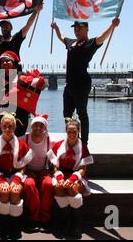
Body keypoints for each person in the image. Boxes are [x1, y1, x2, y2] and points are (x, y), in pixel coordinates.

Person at [51, 18, 120, 150]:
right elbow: (62, 37)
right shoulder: (71, 43)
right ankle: (71, 137)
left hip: (82, 83)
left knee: (82, 113)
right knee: (66, 113)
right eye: (75, 28)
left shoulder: (90, 43)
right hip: (69, 84)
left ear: (87, 29)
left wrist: (112, 26)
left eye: (80, 28)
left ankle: (84, 143)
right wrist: (56, 28)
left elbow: (101, 38)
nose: (77, 30)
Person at [47, 118, 94, 239]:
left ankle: (76, 223)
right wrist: (60, 178)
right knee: (58, 188)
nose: (72, 135)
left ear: (78, 132)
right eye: (69, 132)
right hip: (61, 175)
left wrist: (72, 179)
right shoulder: (58, 145)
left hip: (77, 177)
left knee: (72, 189)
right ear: (66, 132)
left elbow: (83, 170)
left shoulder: (83, 147)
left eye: (74, 132)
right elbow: (55, 167)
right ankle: (66, 221)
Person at [0, 113, 33, 240]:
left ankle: (15, 226)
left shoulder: (21, 144)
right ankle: (3, 226)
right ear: (0, 127)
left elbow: (23, 165)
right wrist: (1, 180)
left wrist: (16, 180)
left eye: (10, 126)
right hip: (0, 175)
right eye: (5, 126)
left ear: (15, 127)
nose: (7, 129)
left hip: (17, 175)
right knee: (4, 193)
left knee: (15, 192)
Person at [0, 3, 43, 73]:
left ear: (11, 28)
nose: (4, 28)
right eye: (2, 26)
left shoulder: (17, 38)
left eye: (6, 26)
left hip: (15, 72)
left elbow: (28, 25)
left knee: (15, 85)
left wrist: (35, 11)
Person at [22, 114, 55, 233]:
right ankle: (33, 219)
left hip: (43, 171)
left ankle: (45, 219)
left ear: (45, 128)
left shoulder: (50, 141)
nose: (38, 128)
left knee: (48, 184)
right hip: (28, 171)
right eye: (35, 125)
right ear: (31, 126)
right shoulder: (24, 139)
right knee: (29, 185)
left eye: (41, 126)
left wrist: (50, 170)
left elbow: (55, 160)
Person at [0, 51, 30, 139]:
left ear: (14, 63)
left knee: (19, 140)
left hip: (20, 117)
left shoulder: (23, 76)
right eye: (2, 62)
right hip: (2, 117)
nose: (4, 63)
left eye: (7, 61)